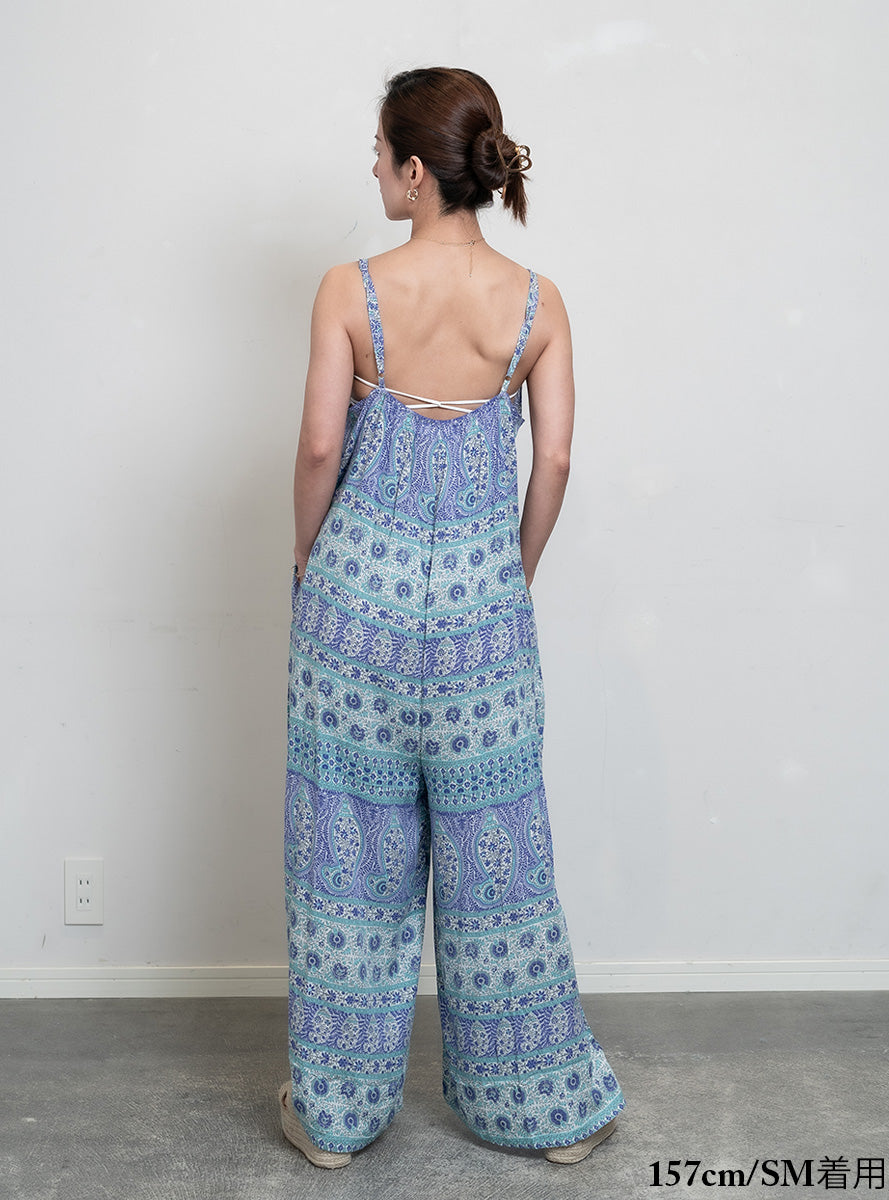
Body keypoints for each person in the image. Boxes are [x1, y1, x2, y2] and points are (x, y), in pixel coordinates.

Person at [279, 66, 626, 1169]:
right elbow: (554, 460)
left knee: (349, 863)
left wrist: (307, 559)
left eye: (382, 156)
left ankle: (334, 1118)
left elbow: (321, 446)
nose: (375, 172)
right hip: (483, 620)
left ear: (418, 172)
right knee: (499, 867)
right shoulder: (538, 302)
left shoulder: (349, 290)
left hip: (354, 617)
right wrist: (511, 572)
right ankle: (544, 1112)